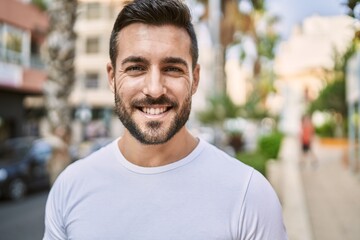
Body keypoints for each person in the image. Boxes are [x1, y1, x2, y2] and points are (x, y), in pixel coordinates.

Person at [43, 1, 288, 239]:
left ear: (195, 79)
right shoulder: (70, 187)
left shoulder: (248, 193)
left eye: (172, 68)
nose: (154, 89)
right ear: (111, 77)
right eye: (136, 68)